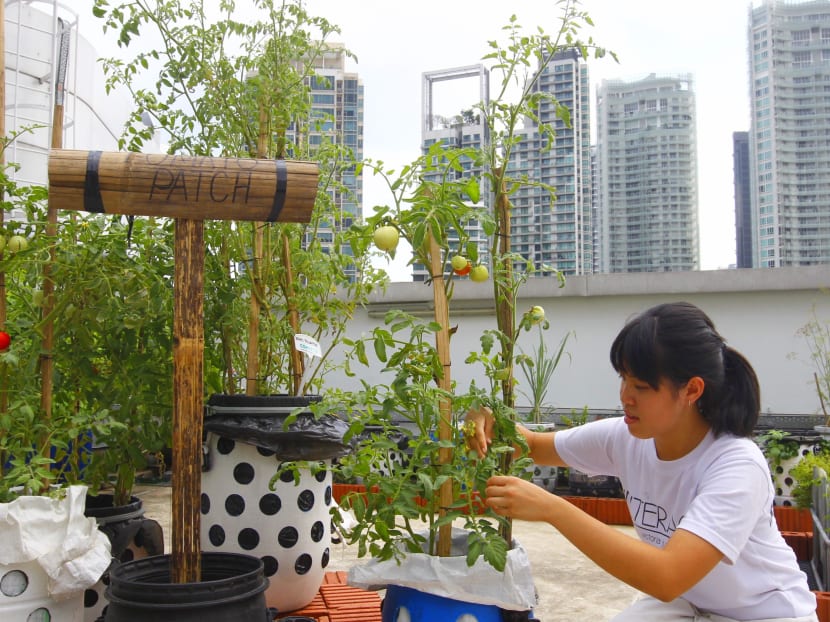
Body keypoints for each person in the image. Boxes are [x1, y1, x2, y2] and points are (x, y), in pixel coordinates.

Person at [466, 301, 818, 622]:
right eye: (623, 379)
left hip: (765, 615)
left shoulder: (735, 466)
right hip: (690, 605)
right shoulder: (627, 438)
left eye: (641, 386)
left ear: (692, 390)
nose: (625, 397)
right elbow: (530, 445)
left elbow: (667, 576)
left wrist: (552, 509)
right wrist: (487, 419)